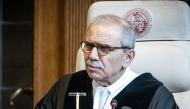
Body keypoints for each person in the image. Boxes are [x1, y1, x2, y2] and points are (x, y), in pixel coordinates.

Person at [34, 14, 179, 109]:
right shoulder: (67, 86)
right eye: (89, 46)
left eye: (104, 48)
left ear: (127, 57)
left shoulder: (155, 95)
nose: (92, 56)